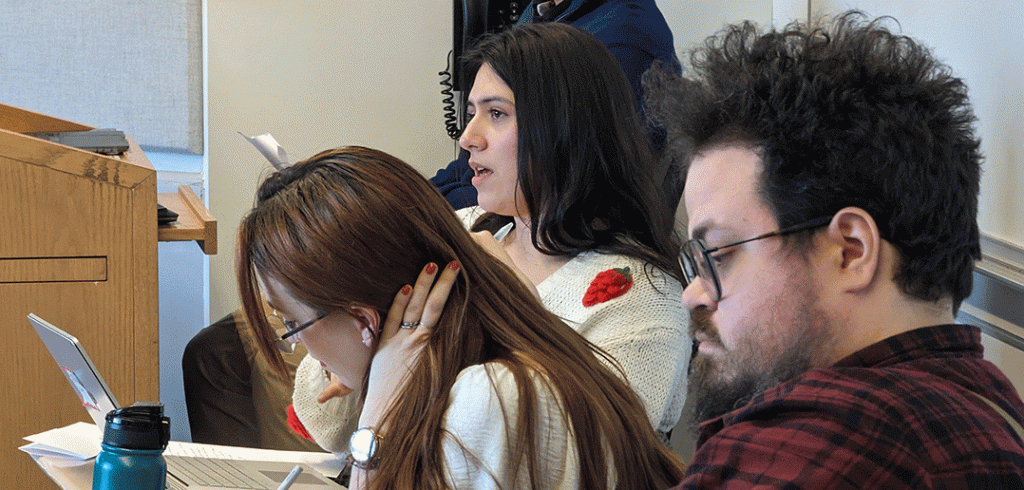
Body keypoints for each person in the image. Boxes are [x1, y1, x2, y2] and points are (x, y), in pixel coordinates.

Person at [641, 11, 1024, 487]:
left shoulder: (815, 451)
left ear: (850, 251)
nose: (692, 295)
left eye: (718, 255)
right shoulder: (991, 404)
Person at [291, 22, 691, 451]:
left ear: (564, 130)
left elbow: (580, 458)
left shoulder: (646, 299)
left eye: (496, 114)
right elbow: (329, 427)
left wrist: (514, 304)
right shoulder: (460, 229)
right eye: (470, 115)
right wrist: (350, 350)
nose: (468, 139)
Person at [236, 145, 687, 489]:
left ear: (364, 321)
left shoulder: (486, 400)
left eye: (291, 325)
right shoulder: (471, 376)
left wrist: (373, 428)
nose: (297, 346)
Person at [430, 0, 678, 209]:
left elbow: (571, 184)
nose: (467, 138)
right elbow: (471, 161)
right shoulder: (540, 13)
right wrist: (421, 195)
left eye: (496, 112)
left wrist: (432, 208)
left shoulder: (623, 38)